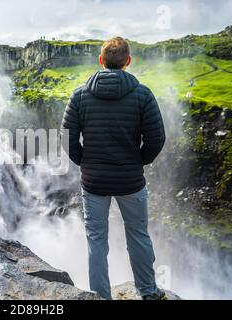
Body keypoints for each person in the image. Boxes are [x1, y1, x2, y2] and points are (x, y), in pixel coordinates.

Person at [61, 37, 167, 300]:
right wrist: (138, 161)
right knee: (138, 236)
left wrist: (85, 161)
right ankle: (148, 292)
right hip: (131, 181)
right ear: (128, 62)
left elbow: (66, 138)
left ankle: (100, 297)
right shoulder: (143, 95)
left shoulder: (80, 95)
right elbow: (157, 138)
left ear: (101, 61)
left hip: (94, 182)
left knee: (96, 242)